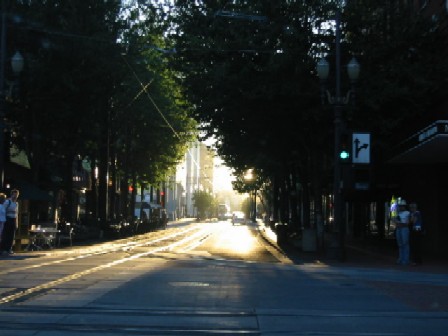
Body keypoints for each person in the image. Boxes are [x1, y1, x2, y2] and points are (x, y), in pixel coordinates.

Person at [0, 189, 20, 255]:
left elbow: (16, 214)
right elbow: (3, 210)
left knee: (12, 235)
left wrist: (16, 223)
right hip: (7, 219)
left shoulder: (16, 203)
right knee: (6, 235)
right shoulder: (8, 202)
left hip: (13, 219)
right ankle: (3, 249)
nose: (15, 196)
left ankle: (9, 248)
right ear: (11, 195)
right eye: (14, 194)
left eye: (16, 195)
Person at [394, 198, 410, 265]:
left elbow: (407, 223)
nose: (401, 207)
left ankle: (405, 260)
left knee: (405, 244)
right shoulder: (398, 213)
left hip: (404, 229)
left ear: (404, 206)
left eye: (402, 206)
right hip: (398, 229)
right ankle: (400, 258)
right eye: (400, 206)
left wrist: (400, 223)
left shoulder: (407, 213)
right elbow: (396, 222)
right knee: (400, 244)